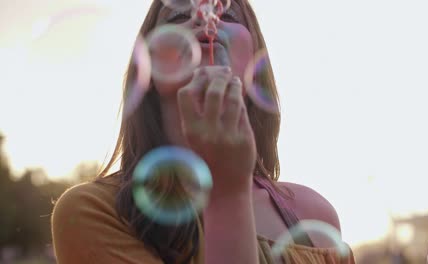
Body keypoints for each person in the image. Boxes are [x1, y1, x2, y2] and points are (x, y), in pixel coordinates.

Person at [51, 0, 356, 263]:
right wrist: (226, 192)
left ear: (254, 63)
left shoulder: (313, 212)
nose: (205, 17)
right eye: (178, 16)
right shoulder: (94, 211)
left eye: (229, 15)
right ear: (148, 67)